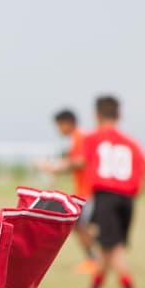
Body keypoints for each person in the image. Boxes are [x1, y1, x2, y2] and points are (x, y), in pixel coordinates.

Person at [75, 95, 145, 288]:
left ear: (97, 115)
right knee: (107, 246)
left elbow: (79, 162)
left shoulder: (92, 139)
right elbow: (143, 171)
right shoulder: (132, 143)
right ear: (119, 115)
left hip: (106, 197)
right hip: (128, 199)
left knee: (113, 248)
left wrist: (55, 167)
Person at [39, 108, 98, 273]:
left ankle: (94, 261)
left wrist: (55, 167)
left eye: (59, 125)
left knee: (79, 226)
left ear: (67, 123)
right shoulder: (78, 137)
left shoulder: (80, 137)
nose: (58, 129)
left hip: (89, 192)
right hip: (86, 191)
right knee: (81, 227)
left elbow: (80, 162)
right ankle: (97, 258)